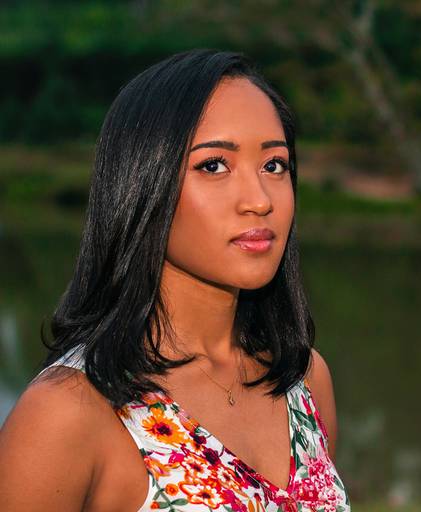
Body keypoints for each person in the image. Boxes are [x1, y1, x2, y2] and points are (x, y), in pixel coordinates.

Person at [0, 49, 350, 512]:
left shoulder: (303, 381)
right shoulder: (70, 412)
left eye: (274, 165)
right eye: (213, 166)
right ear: (143, 182)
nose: (259, 200)